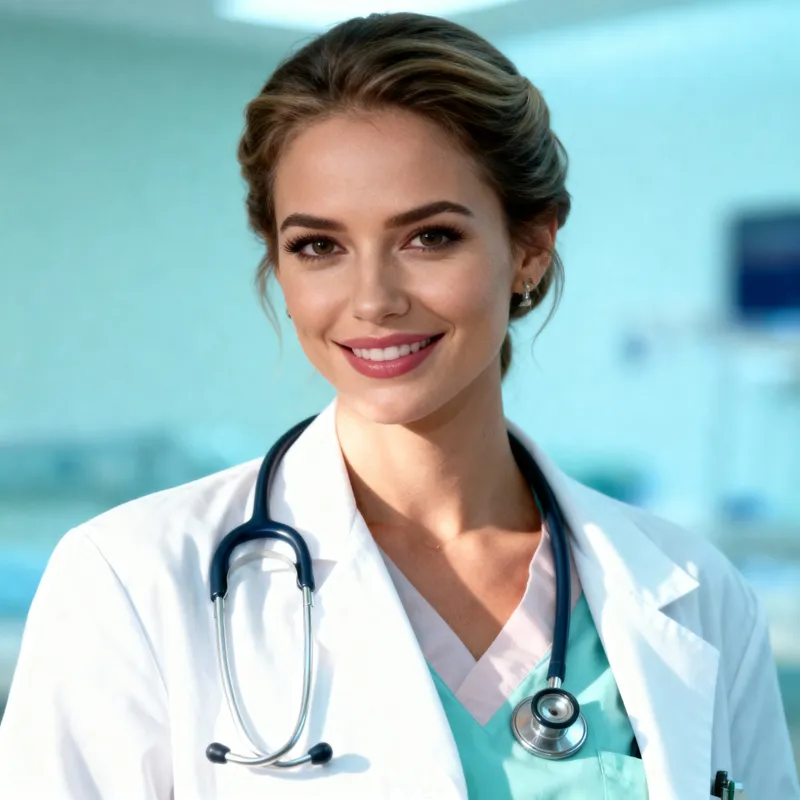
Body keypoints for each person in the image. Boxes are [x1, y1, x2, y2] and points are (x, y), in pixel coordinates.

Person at [0, 11, 797, 800]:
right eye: (319, 247)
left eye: (430, 237)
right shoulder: (130, 579)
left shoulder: (694, 592)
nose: (373, 300)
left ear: (529, 247)